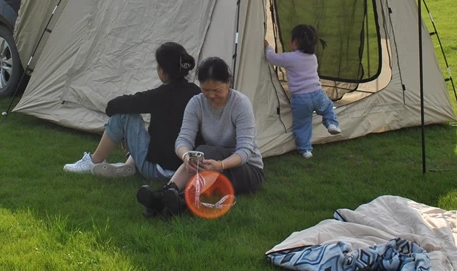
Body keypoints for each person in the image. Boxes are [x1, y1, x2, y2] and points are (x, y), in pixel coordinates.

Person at [136, 56, 264, 217]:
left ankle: (171, 199)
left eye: (216, 90)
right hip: (215, 161)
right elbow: (183, 139)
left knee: (209, 159)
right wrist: (186, 157)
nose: (211, 95)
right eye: (205, 90)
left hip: (247, 169)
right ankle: (169, 193)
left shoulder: (241, 104)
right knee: (199, 155)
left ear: (229, 82)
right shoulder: (196, 103)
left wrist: (221, 165)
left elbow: (245, 151)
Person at [63, 42, 199, 180]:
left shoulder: (160, 95)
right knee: (162, 132)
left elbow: (113, 106)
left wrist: (124, 133)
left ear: (163, 71)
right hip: (185, 169)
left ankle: (94, 161)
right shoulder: (197, 93)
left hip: (158, 170)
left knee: (123, 116)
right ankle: (128, 165)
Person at [265, 24, 341, 159]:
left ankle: (305, 150)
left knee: (302, 125)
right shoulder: (313, 58)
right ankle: (331, 123)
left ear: (295, 42)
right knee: (328, 107)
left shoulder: (290, 58)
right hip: (317, 93)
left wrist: (268, 47)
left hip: (300, 99)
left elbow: (273, 58)